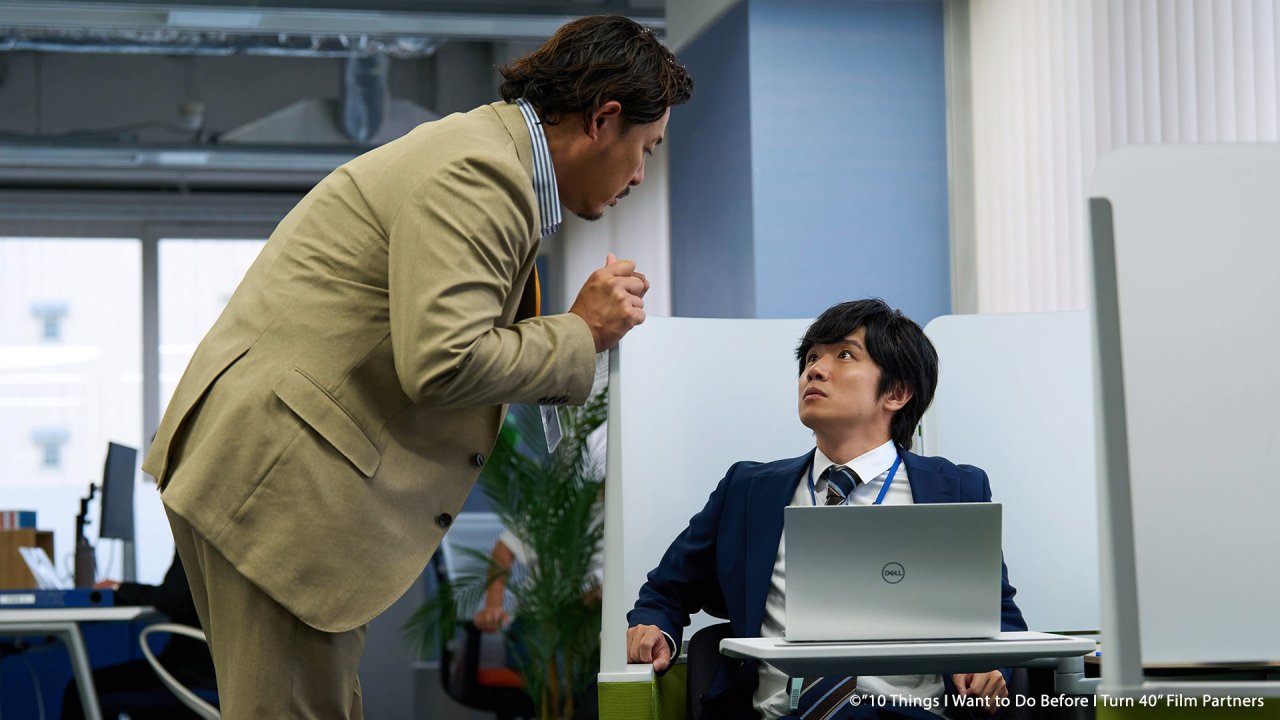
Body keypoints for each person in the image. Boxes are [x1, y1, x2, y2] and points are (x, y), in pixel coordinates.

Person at [141, 15, 692, 718]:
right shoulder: (484, 174)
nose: (640, 175)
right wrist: (580, 333)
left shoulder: (484, 154)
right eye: (645, 149)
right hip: (281, 483)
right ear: (602, 119)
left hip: (267, 468)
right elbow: (443, 359)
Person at [626, 299, 1027, 720]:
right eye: (811, 358)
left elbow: (999, 616)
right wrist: (656, 629)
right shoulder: (748, 491)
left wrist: (989, 668)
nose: (814, 370)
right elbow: (666, 591)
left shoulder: (956, 490)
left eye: (845, 355)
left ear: (897, 392)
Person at [61, 552, 215, 720]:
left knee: (83, 689)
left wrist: (119, 588)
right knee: (86, 685)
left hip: (194, 675)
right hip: (209, 670)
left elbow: (173, 597)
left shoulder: (197, 540)